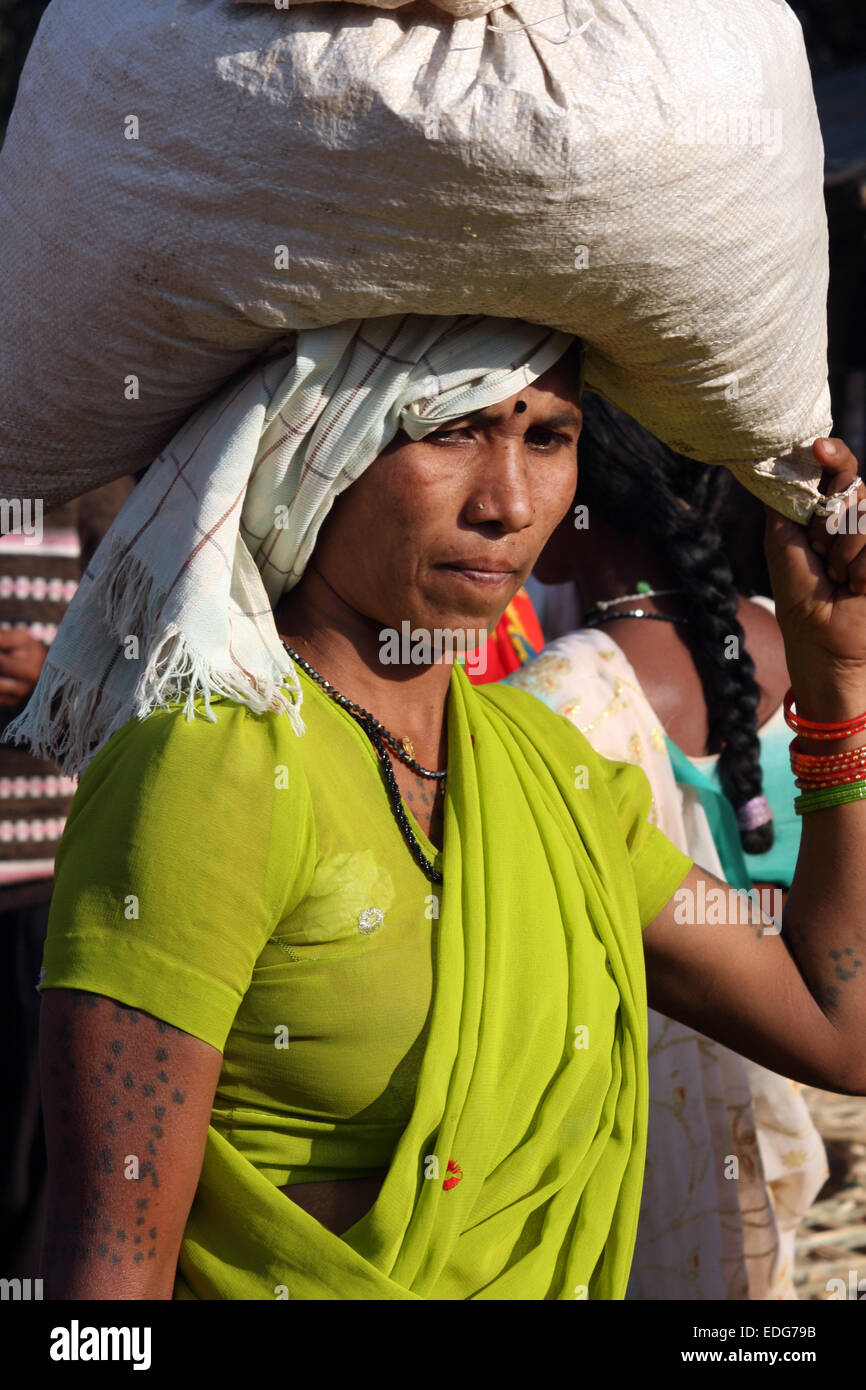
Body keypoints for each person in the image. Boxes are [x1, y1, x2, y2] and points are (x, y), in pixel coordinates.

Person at [7, 313, 866, 1302]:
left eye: (546, 437)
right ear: (319, 444)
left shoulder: (552, 773)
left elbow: (836, 1029)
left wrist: (836, 686)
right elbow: (107, 1268)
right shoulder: (209, 772)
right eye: (449, 429)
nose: (505, 501)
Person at [508, 395, 830, 1298]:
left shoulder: (556, 701)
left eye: (544, 452)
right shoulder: (806, 651)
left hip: (637, 1157)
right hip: (782, 1126)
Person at [0, 478, 136, 1278]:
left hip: (44, 881)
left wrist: (53, 678)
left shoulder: (88, 488)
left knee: (33, 1153)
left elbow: (145, 664)